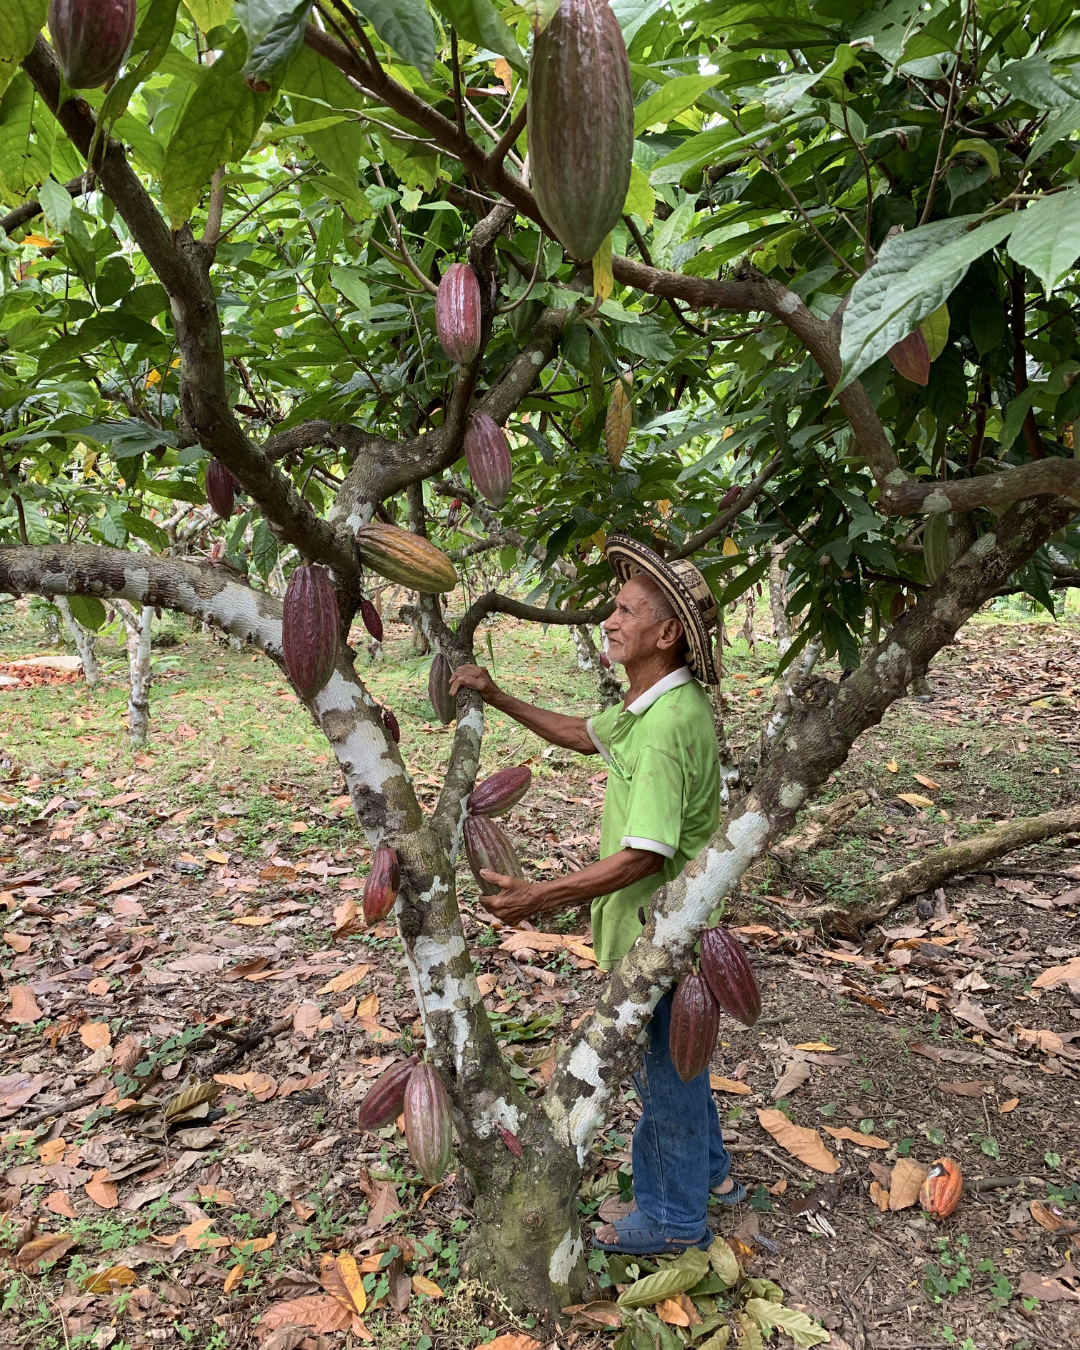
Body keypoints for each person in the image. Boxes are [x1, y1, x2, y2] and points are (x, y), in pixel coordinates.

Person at [449, 534, 745, 1256]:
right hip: (676, 931)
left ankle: (674, 1221)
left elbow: (645, 854)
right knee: (683, 1061)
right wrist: (496, 695)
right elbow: (584, 734)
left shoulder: (671, 727)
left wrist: (537, 899)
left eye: (623, 611)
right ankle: (713, 1176)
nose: (608, 622)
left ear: (667, 633)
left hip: (662, 936)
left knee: (664, 1085)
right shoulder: (651, 708)